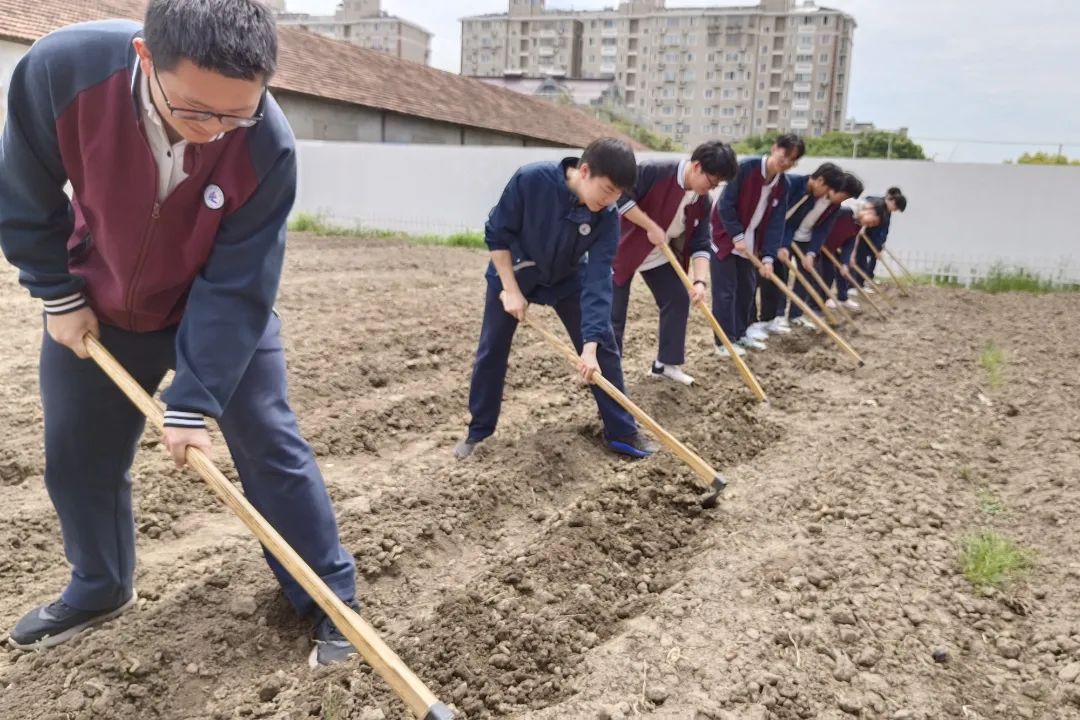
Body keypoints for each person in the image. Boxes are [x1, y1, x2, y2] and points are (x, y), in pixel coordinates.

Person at [0, 0, 358, 667]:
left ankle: (330, 599)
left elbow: (241, 281)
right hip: (100, 302)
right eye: (197, 110)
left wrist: (195, 398)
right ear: (145, 58)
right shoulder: (62, 72)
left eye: (237, 113)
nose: (216, 132)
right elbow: (23, 191)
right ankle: (100, 586)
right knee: (78, 455)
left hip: (214, 307)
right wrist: (55, 291)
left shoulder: (268, 143)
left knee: (269, 443)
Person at [454, 138, 659, 460]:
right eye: (606, 190)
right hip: (515, 271)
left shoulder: (606, 216)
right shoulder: (532, 180)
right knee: (491, 349)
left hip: (566, 277)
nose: (610, 201)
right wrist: (509, 289)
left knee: (603, 345)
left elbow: (599, 279)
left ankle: (621, 431)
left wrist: (589, 347)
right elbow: (497, 233)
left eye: (618, 196)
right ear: (584, 171)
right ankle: (479, 433)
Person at [610, 141, 737, 385]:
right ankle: (608, 371)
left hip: (658, 254)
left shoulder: (701, 201)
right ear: (697, 166)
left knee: (677, 297)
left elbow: (701, 243)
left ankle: (666, 365)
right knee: (614, 314)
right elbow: (621, 199)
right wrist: (650, 225)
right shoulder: (654, 171)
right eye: (711, 182)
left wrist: (699, 281)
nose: (710, 189)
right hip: (621, 249)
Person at [709, 134, 804, 356]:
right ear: (774, 148)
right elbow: (725, 205)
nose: (787, 162)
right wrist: (736, 234)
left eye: (793, 159)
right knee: (726, 292)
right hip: (724, 237)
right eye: (785, 154)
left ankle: (741, 334)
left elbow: (775, 224)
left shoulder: (783, 185)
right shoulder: (745, 168)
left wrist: (768, 257)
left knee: (747, 288)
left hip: (750, 244)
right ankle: (723, 341)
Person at [757, 161, 846, 333]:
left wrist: (783, 245)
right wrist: (774, 243)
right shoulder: (790, 184)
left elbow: (790, 223)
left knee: (778, 278)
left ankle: (772, 319)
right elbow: (773, 216)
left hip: (776, 239)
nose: (825, 196)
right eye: (826, 191)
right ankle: (757, 321)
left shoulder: (811, 197)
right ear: (820, 181)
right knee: (755, 282)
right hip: (759, 236)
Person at [820, 194, 886, 309]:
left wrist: (845, 263)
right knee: (819, 274)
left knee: (829, 274)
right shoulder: (845, 212)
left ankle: (823, 301)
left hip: (830, 249)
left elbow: (849, 242)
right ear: (870, 211)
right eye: (872, 222)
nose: (869, 225)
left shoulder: (858, 224)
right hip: (819, 246)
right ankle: (815, 304)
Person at [854, 186, 907, 290]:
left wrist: (879, 246)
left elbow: (884, 229)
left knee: (869, 259)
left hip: (874, 239)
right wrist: (863, 228)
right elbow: (865, 216)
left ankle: (865, 280)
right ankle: (857, 284)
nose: (894, 210)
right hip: (864, 237)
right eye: (896, 208)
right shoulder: (877, 204)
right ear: (892, 201)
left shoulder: (887, 211)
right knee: (861, 260)